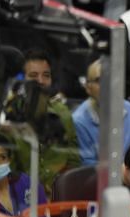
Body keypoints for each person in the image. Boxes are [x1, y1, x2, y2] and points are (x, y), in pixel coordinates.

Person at [9, 50, 81, 195]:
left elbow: (74, 160)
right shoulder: (9, 117)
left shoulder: (63, 113)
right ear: (21, 80)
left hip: (57, 196)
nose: (41, 81)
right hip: (20, 196)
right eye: (33, 76)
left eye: (46, 75)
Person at [73, 59, 130, 166]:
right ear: (88, 88)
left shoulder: (128, 108)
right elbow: (86, 167)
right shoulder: (79, 122)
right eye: (99, 80)